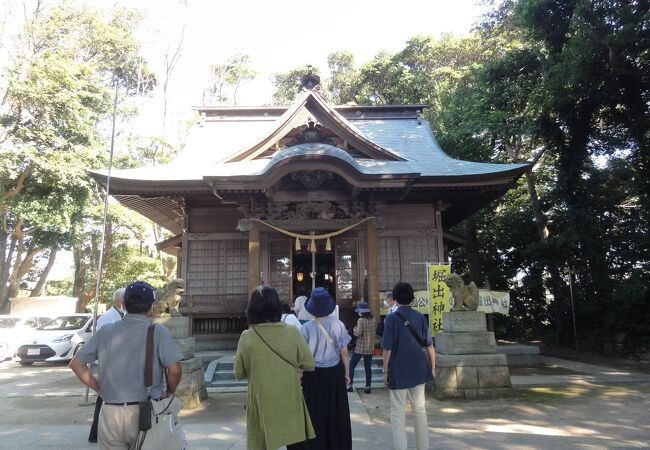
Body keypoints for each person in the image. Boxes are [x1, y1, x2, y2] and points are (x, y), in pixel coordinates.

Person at [69, 281, 183, 450]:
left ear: (123, 304)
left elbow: (77, 364)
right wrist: (170, 391)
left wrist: (98, 388)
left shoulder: (105, 331)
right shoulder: (157, 332)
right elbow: (174, 369)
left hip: (110, 412)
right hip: (146, 411)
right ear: (151, 306)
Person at [234, 285, 315, 450]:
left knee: (261, 441)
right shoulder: (292, 332)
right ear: (277, 306)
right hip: (289, 397)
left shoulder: (247, 337)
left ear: (252, 309)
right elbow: (309, 363)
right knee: (296, 441)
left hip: (261, 399)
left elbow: (238, 372)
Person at [381, 281, 436, 450]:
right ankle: (423, 447)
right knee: (419, 410)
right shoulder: (420, 317)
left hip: (398, 369)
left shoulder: (391, 318)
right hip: (419, 367)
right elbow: (429, 345)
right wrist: (433, 368)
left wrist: (385, 371)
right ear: (412, 297)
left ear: (395, 298)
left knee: (397, 412)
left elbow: (387, 348)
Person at [300, 287, 352, 450]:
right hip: (334, 372)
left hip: (312, 374)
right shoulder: (338, 324)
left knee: (314, 411)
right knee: (336, 411)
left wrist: (299, 375)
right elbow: (344, 352)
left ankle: (316, 445)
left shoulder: (306, 328)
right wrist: (347, 372)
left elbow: (302, 357)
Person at [88, 288, 126, 443]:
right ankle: (96, 433)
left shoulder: (124, 316)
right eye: (125, 301)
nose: (126, 304)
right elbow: (101, 342)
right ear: (117, 301)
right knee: (104, 398)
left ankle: (101, 433)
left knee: (110, 399)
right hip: (108, 362)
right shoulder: (106, 318)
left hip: (120, 362)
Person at [347, 300, 376, 394]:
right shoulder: (373, 319)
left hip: (360, 347)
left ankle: (349, 385)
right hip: (370, 347)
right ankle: (368, 387)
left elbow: (358, 333)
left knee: (351, 366)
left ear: (362, 311)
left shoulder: (360, 320)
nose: (358, 312)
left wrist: (354, 328)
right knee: (368, 368)